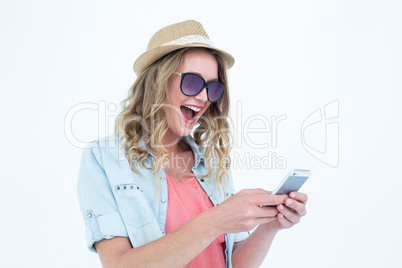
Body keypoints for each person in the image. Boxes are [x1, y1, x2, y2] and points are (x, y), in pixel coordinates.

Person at [77, 20, 308, 268]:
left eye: (213, 87)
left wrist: (269, 227)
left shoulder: (212, 162)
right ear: (157, 79)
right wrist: (215, 220)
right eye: (192, 82)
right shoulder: (104, 158)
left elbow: (234, 262)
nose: (203, 97)